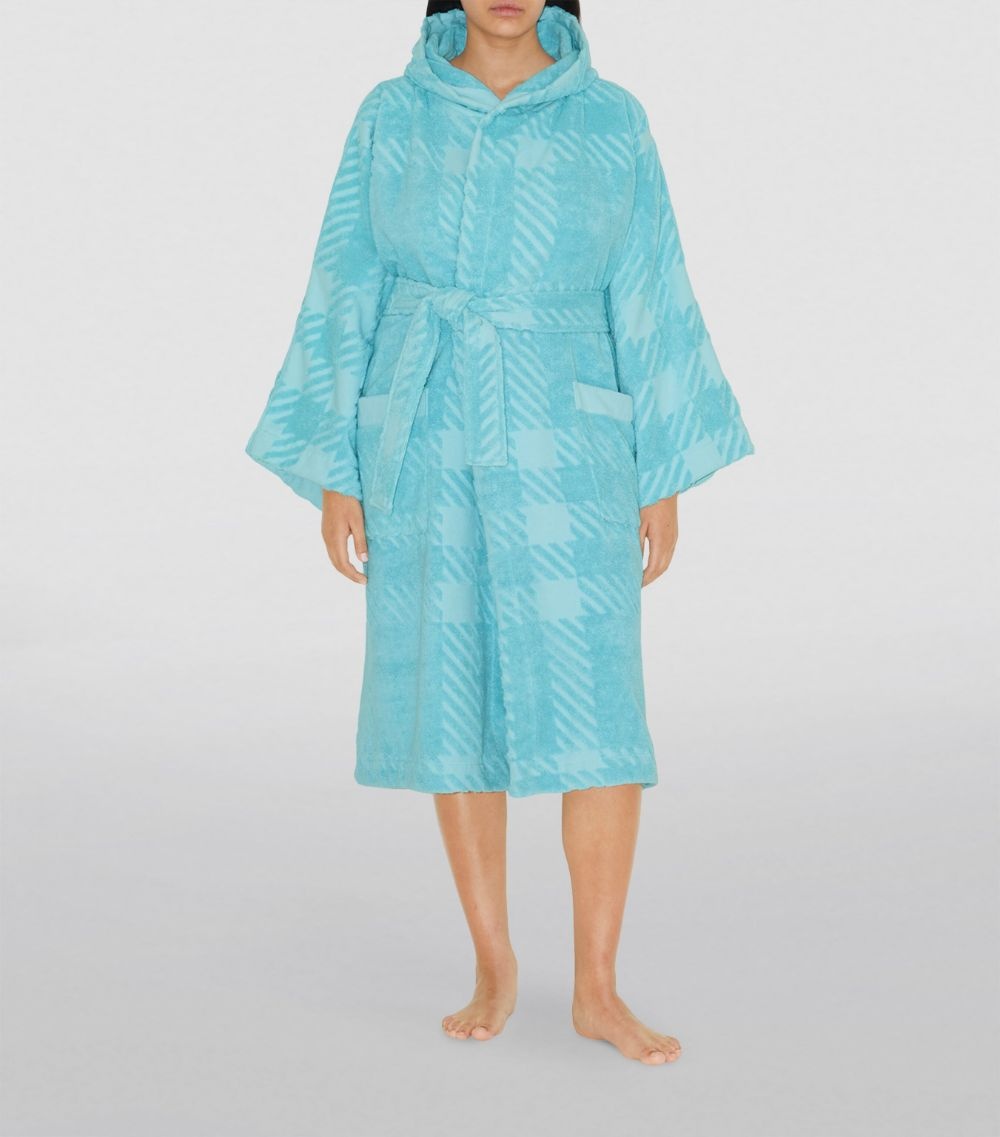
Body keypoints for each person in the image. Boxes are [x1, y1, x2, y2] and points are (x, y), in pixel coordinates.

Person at [245, 0, 755, 1065]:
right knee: (453, 697)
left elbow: (651, 283)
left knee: (599, 707)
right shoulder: (391, 116)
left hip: (572, 437)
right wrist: (337, 464)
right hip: (425, 429)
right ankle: (493, 962)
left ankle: (598, 989)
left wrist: (662, 468)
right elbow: (345, 282)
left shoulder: (611, 119)